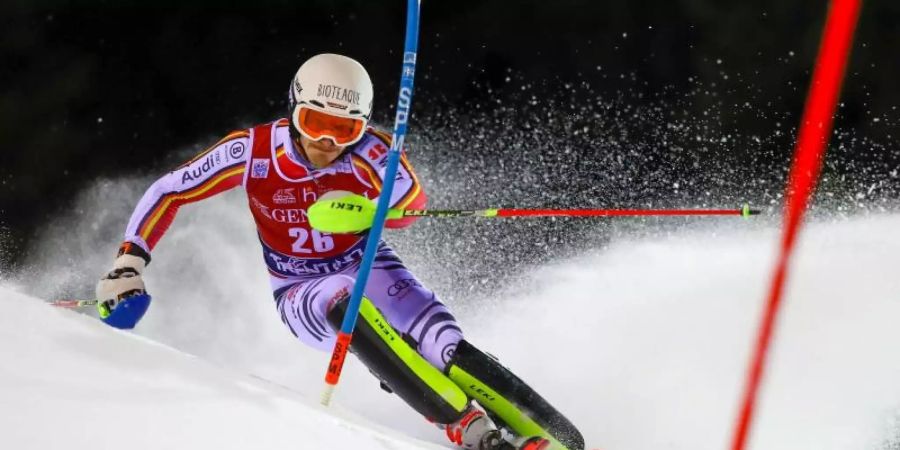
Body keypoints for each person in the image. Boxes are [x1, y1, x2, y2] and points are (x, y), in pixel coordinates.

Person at [95, 53, 583, 450]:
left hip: (371, 264)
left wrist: (375, 205)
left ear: (362, 126)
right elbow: (170, 190)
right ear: (293, 108)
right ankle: (473, 433)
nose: (326, 143)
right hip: (300, 289)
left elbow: (412, 207)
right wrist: (129, 261)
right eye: (314, 122)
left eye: (343, 130)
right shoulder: (253, 151)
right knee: (342, 299)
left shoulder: (373, 153)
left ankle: (552, 437)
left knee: (441, 344)